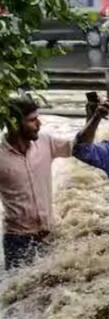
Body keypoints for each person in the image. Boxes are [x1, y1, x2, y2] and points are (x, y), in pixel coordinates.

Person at [0, 97, 74, 270]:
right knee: (18, 293)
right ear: (14, 123)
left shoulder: (45, 142)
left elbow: (78, 146)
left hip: (48, 234)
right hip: (17, 240)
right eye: (32, 120)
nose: (39, 124)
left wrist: (94, 118)